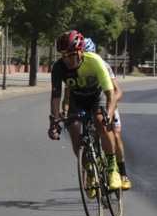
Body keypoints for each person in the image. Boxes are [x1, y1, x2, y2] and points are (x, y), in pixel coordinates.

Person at [47, 30, 124, 195]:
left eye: (72, 55)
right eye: (63, 55)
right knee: (74, 129)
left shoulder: (95, 61)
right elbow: (55, 97)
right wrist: (54, 123)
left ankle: (112, 169)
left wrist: (108, 116)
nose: (67, 59)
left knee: (100, 120)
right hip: (78, 100)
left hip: (97, 96)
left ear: (81, 51)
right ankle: (89, 171)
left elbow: (111, 93)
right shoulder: (58, 68)